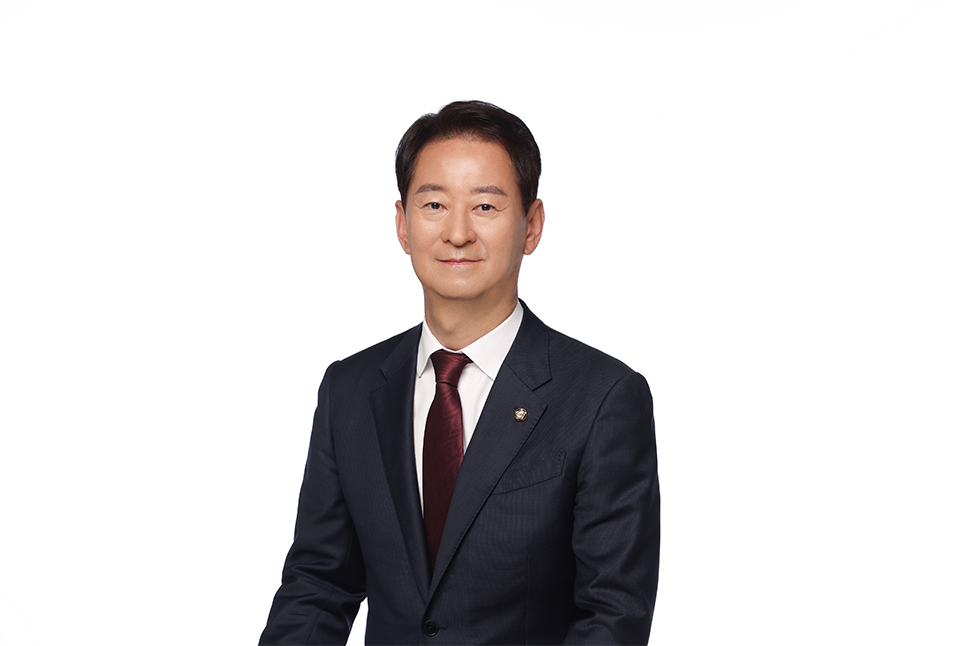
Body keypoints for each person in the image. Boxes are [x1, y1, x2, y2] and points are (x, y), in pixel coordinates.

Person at [258, 100, 659, 645]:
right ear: (402, 224)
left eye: (486, 206)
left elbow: (612, 616)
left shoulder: (602, 397)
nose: (458, 232)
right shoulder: (350, 390)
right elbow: (317, 586)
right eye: (434, 205)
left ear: (532, 225)